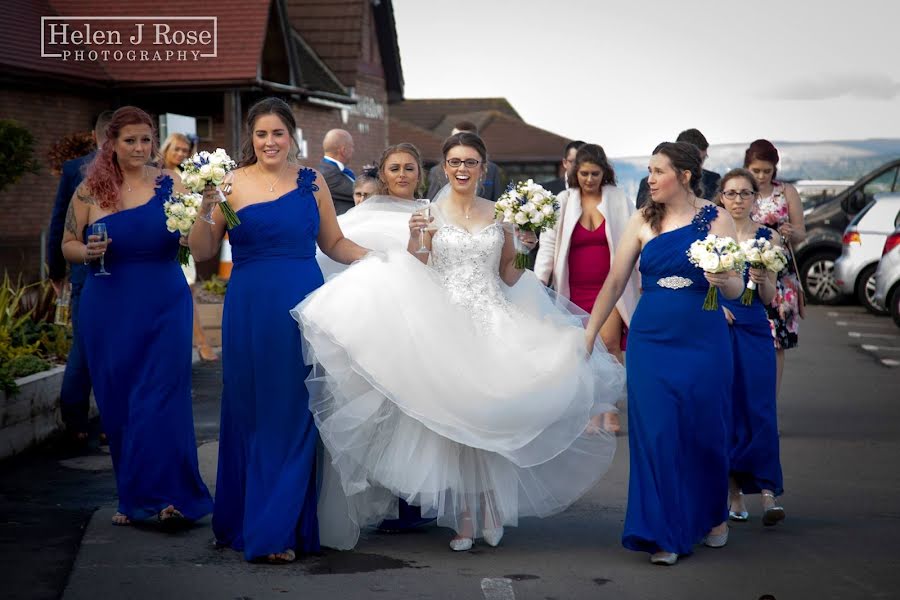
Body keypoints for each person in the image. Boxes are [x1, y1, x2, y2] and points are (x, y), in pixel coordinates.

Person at [292, 132, 624, 553]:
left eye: (470, 162)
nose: (462, 169)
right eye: (455, 162)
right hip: (445, 321)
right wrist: (415, 240)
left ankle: (491, 508)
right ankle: (466, 518)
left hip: (492, 320)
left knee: (492, 415)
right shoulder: (427, 212)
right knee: (459, 424)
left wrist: (525, 250)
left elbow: (507, 273)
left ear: (483, 169)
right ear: (444, 168)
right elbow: (418, 269)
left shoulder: (501, 214)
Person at [188, 97, 368, 564]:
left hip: (304, 305)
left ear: (293, 137)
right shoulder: (227, 185)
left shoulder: (311, 184)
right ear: (251, 138)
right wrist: (206, 207)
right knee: (251, 410)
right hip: (250, 305)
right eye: (261, 134)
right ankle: (248, 518)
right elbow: (204, 249)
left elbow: (333, 241)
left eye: (278, 133)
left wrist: (378, 259)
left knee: (293, 410)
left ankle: (279, 525)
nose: (270, 142)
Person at [584, 141, 744, 565]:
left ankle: (713, 515)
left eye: (658, 171)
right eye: (649, 171)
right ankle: (664, 535)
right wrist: (589, 334)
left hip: (703, 339)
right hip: (651, 340)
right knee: (656, 435)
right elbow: (615, 282)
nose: (650, 179)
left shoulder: (717, 218)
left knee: (703, 432)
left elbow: (738, 288)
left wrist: (722, 278)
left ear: (685, 175)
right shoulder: (641, 219)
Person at [61, 106, 213, 528]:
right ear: (112, 143)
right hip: (108, 306)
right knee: (120, 403)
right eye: (131, 140)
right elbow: (68, 243)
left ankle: (171, 496)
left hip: (165, 303)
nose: (140, 148)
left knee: (162, 399)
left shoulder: (172, 183)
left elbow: (197, 247)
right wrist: (85, 252)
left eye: (146, 139)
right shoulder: (90, 190)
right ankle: (133, 497)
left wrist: (205, 209)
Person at [716, 169, 786, 527]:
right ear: (721, 198)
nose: (738, 200)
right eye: (731, 193)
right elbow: (706, 286)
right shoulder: (713, 235)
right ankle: (733, 492)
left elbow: (770, 297)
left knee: (759, 405)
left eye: (745, 194)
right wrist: (720, 306)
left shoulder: (768, 238)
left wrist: (761, 281)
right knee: (728, 407)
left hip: (756, 325)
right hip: (724, 325)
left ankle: (769, 492)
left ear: (755, 199)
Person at [535, 143, 639, 363]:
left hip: (611, 290)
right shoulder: (562, 200)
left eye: (595, 174)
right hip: (572, 292)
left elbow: (635, 242)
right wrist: (539, 281)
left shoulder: (619, 199)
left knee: (609, 344)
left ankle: (616, 398)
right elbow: (547, 244)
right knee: (578, 350)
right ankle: (588, 398)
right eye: (584, 174)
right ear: (574, 172)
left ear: (605, 173)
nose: (589, 179)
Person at [47, 110, 113, 444]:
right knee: (93, 349)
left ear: (94, 134)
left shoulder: (75, 168)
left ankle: (79, 423)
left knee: (86, 348)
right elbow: (63, 223)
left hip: (90, 274)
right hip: (90, 269)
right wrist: (58, 269)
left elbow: (56, 222)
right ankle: (93, 421)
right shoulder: (79, 171)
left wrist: (55, 272)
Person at [745, 139, 805, 396]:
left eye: (766, 171)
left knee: (777, 342)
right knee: (748, 338)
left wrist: (792, 232)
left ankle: (770, 403)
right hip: (748, 270)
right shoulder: (741, 191)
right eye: (756, 170)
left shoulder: (786, 192)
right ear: (747, 167)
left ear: (775, 169)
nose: (761, 176)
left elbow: (802, 232)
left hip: (781, 274)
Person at [159, 132, 218, 362]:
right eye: (177, 149)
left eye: (185, 150)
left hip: (184, 239)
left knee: (187, 291)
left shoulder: (188, 175)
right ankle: (195, 343)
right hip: (164, 241)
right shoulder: (157, 175)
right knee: (175, 293)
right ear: (167, 148)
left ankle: (198, 342)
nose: (181, 154)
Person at [635, 129, 721, 208]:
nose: (699, 165)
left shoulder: (714, 180)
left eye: (703, 159)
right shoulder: (647, 184)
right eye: (694, 159)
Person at [426, 121, 503, 201]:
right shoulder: (436, 171)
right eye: (455, 137)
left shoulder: (492, 169)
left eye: (471, 162)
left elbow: (497, 199)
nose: (462, 168)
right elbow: (431, 200)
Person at [319, 129, 356, 215]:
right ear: (343, 150)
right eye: (351, 147)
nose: (353, 150)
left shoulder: (335, 170)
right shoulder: (328, 174)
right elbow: (361, 192)